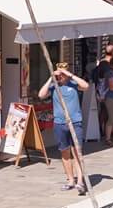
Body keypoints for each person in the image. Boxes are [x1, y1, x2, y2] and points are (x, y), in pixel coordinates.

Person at [38, 63, 89, 194]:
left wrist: (70, 75)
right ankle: (70, 180)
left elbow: (86, 86)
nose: (61, 76)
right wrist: (51, 78)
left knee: (77, 152)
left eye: (62, 74)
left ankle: (80, 181)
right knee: (64, 152)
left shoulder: (73, 84)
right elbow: (41, 95)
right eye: (59, 74)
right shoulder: (54, 86)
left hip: (75, 122)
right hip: (60, 123)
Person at [95, 44, 113, 146]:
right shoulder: (110, 73)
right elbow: (111, 87)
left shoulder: (110, 70)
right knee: (111, 117)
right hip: (110, 96)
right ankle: (108, 138)